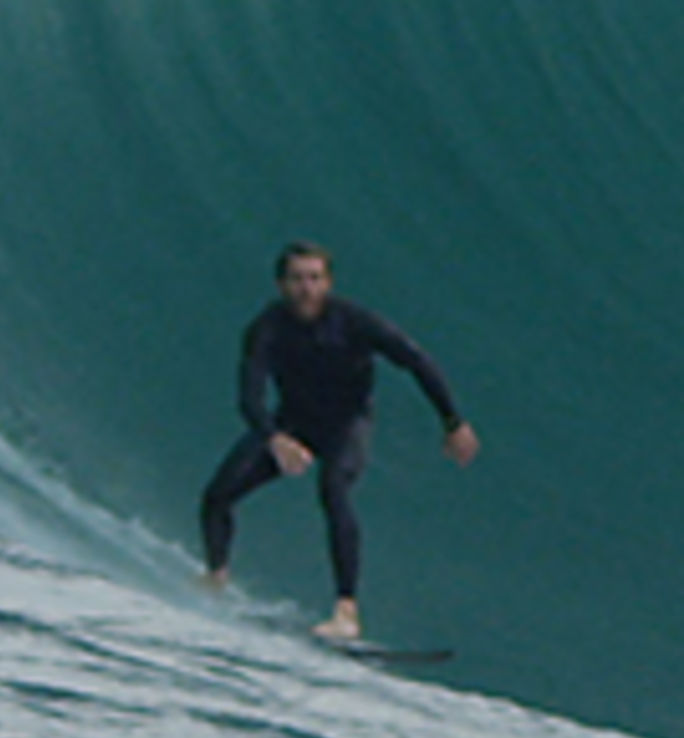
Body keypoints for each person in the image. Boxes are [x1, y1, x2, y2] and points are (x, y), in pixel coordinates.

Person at [198, 241, 478, 642]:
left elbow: (415, 360)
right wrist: (275, 437)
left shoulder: (355, 321)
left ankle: (346, 611)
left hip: (347, 425)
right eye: (296, 279)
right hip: (293, 423)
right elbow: (249, 397)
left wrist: (452, 421)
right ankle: (216, 577)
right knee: (218, 495)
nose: (306, 288)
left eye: (315, 279)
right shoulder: (267, 329)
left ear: (328, 283)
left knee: (333, 489)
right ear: (281, 284)